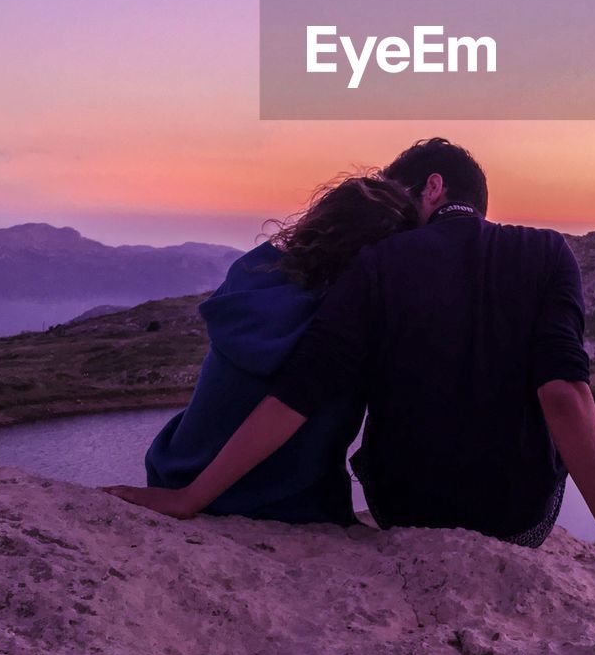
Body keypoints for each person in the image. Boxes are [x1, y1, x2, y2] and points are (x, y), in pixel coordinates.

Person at [107, 138, 595, 577]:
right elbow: (563, 393)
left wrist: (190, 498)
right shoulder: (550, 253)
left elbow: (300, 391)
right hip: (519, 524)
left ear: (434, 187)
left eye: (401, 192)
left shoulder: (379, 264)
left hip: (404, 512)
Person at [112, 173, 419, 525]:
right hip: (283, 505)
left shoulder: (249, 278)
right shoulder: (344, 327)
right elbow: (289, 405)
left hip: (176, 469)